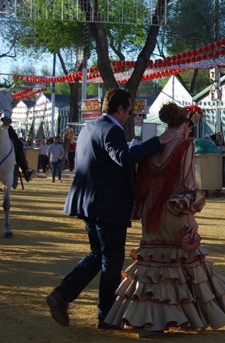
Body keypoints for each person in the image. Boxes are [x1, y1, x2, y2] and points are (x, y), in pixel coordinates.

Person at [103, 102, 225, 334]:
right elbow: (186, 182)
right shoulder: (184, 144)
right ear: (185, 124)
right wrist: (191, 208)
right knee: (181, 265)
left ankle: (146, 319)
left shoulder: (152, 145)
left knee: (152, 264)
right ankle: (182, 316)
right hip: (173, 209)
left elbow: (141, 179)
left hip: (151, 211)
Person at [46, 88, 169, 329]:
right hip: (108, 205)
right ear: (120, 110)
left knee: (97, 255)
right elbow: (122, 158)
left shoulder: (89, 127)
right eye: (128, 111)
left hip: (88, 203)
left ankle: (62, 294)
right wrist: (156, 143)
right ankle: (106, 316)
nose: (129, 116)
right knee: (111, 261)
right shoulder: (112, 130)